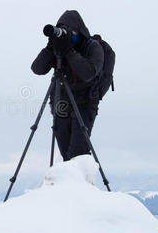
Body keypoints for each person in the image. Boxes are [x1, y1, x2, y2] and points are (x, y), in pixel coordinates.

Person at [31, 10, 104, 161]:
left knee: (78, 155)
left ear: (80, 31)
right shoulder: (59, 49)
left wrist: (69, 51)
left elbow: (88, 73)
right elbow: (37, 69)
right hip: (61, 103)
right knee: (66, 156)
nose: (69, 36)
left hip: (84, 105)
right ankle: (69, 183)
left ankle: (82, 183)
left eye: (72, 32)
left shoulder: (93, 47)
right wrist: (50, 47)